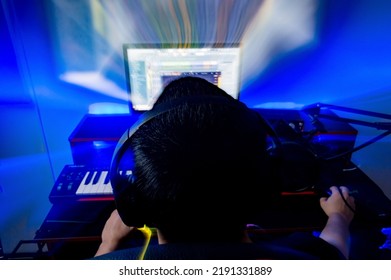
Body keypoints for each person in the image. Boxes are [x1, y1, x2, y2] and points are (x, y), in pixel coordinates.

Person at [93, 76, 355, 260]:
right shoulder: (302, 260)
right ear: (265, 189)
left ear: (135, 202)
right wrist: (338, 218)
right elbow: (334, 249)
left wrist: (108, 243)